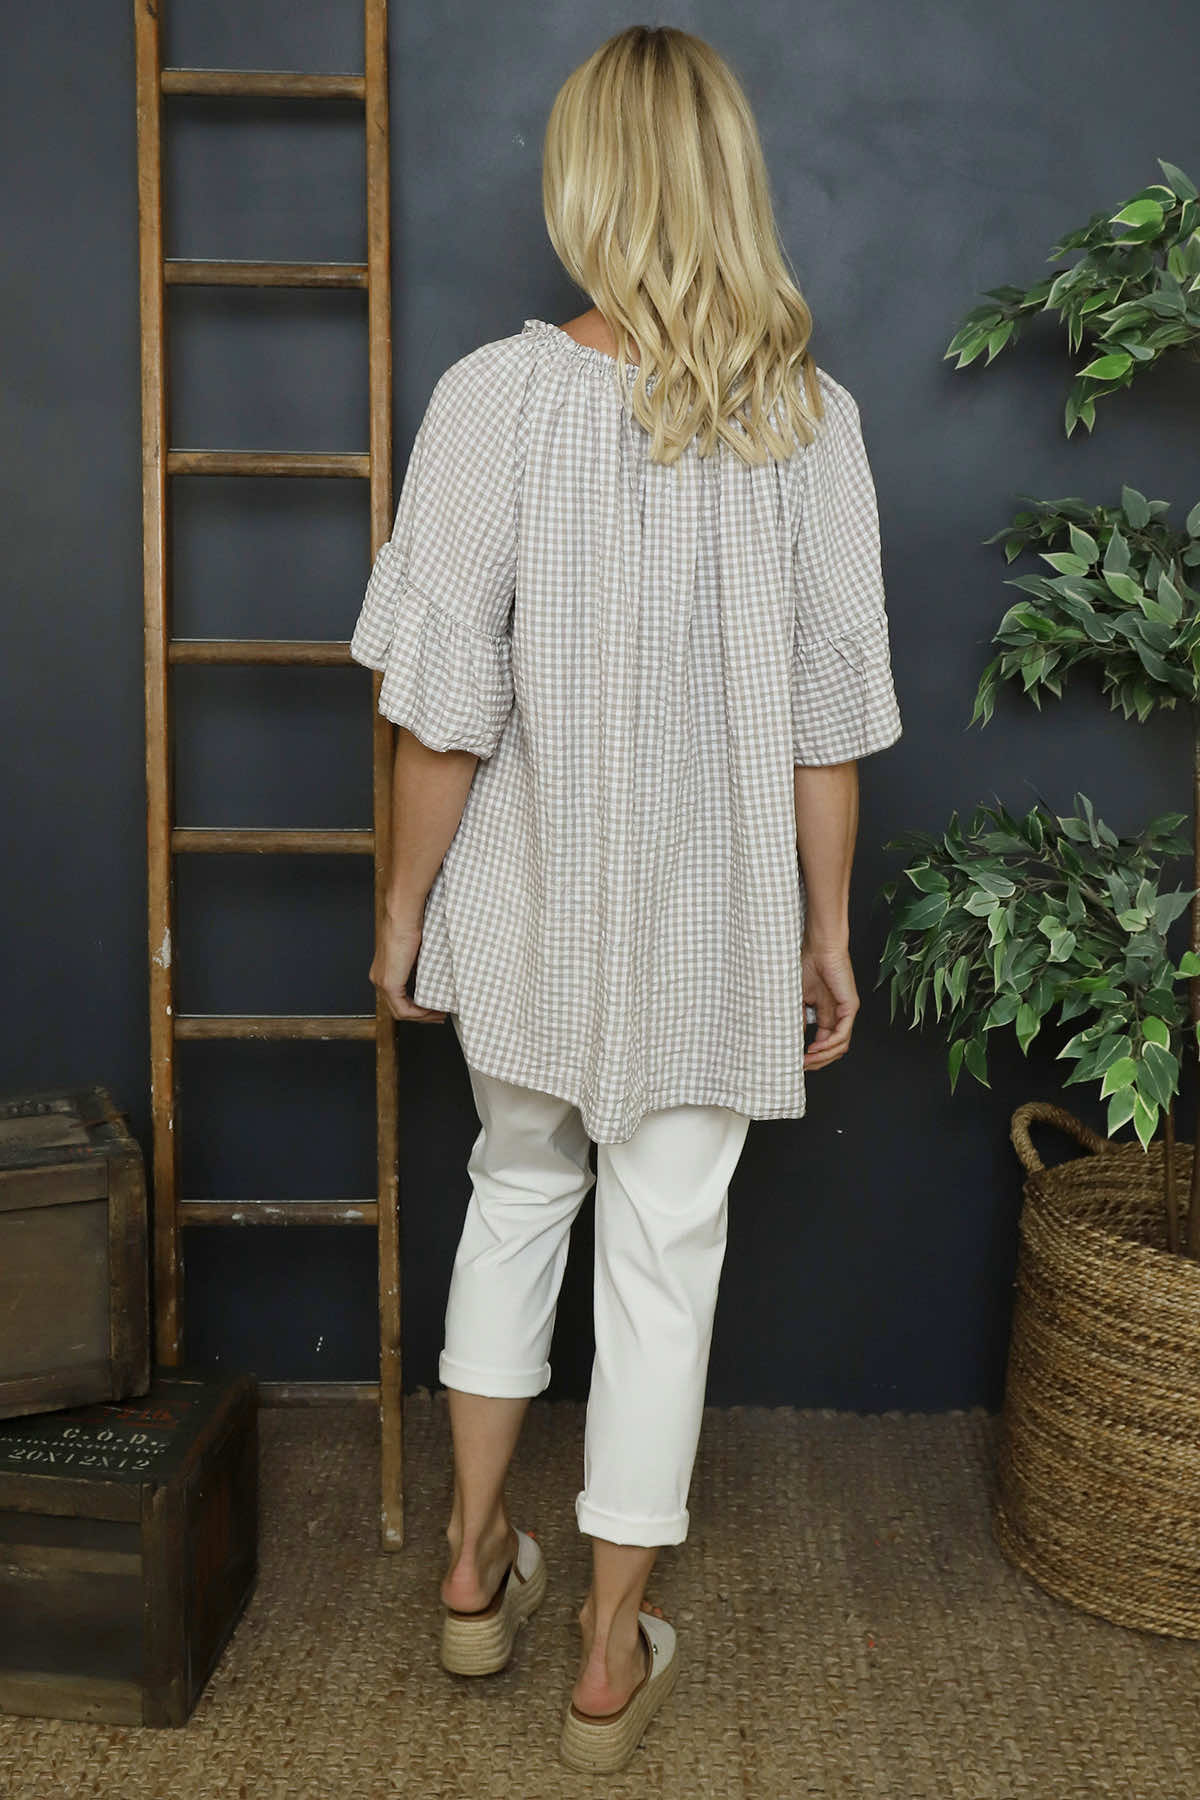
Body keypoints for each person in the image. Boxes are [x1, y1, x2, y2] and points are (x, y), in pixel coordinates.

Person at [349, 22, 903, 1776]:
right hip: (711, 930)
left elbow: (442, 710)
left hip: (524, 909)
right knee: (666, 1261)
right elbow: (826, 729)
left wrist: (402, 909)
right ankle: (604, 1657)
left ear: (584, 185)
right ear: (731, 181)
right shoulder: (814, 424)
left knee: (515, 1196)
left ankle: (470, 1569)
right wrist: (826, 930)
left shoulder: (492, 400)